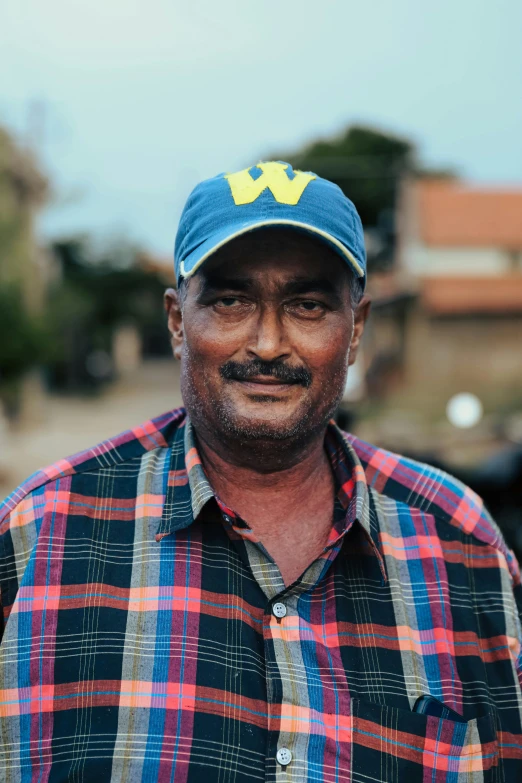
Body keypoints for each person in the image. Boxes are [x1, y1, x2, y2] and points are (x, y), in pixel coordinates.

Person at [0, 161, 521, 782]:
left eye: (307, 304)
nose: (269, 343)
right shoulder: (40, 534)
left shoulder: (461, 545)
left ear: (354, 330)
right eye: (230, 300)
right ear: (176, 322)